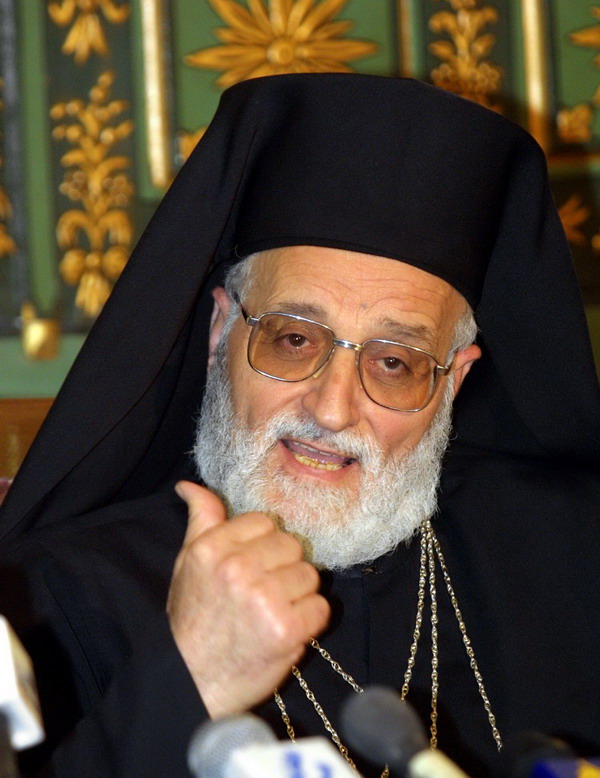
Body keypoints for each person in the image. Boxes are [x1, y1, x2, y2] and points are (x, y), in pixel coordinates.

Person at [0, 73, 599, 778]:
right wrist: (191, 679)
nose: (332, 409)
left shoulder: (573, 559)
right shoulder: (54, 597)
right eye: (293, 339)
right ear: (221, 331)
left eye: (394, 363)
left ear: (453, 381)